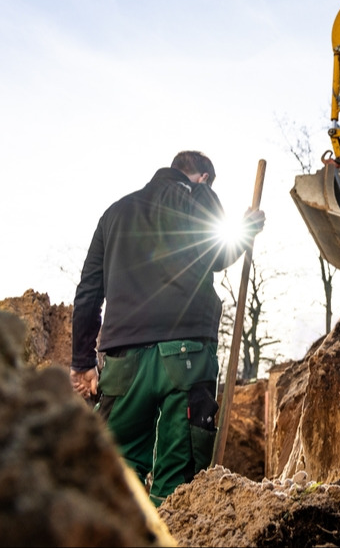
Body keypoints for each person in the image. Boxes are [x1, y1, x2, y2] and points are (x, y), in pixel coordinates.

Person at [69, 150, 265, 507]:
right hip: (187, 358)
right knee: (178, 489)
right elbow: (218, 255)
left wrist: (83, 361)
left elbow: (88, 293)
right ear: (203, 177)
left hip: (124, 360)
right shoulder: (198, 198)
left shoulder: (114, 214)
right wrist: (247, 228)